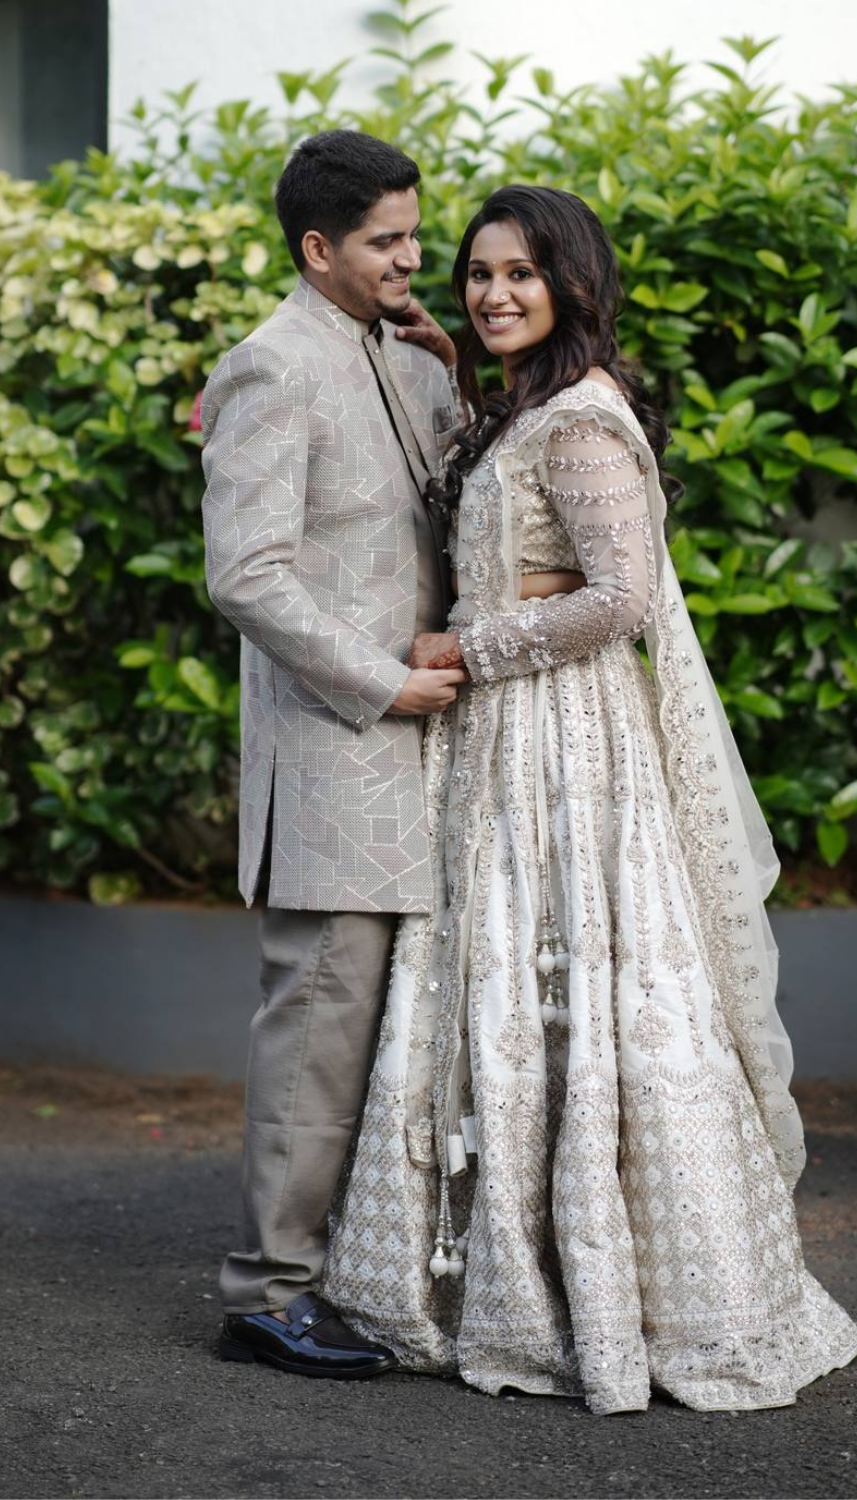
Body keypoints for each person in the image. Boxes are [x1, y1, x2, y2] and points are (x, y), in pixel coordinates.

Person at [321, 185, 857, 1414]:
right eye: (475, 274)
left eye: (519, 274)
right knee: (509, 989)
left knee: (581, 995)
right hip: (507, 742)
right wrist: (454, 367)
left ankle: (615, 1295)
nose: (492, 292)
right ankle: (513, 1275)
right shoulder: (530, 409)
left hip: (562, 743)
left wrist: (470, 648)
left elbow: (617, 598)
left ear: (571, 281)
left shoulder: (581, 422)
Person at [200, 129, 465, 1378]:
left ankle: (353, 1273)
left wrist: (452, 371)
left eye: (416, 233)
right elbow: (244, 574)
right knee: (319, 1030)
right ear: (318, 250)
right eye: (387, 243)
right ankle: (266, 1293)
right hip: (333, 757)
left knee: (388, 1036)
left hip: (425, 753)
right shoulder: (269, 367)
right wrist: (383, 683)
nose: (417, 259)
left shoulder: (407, 358)